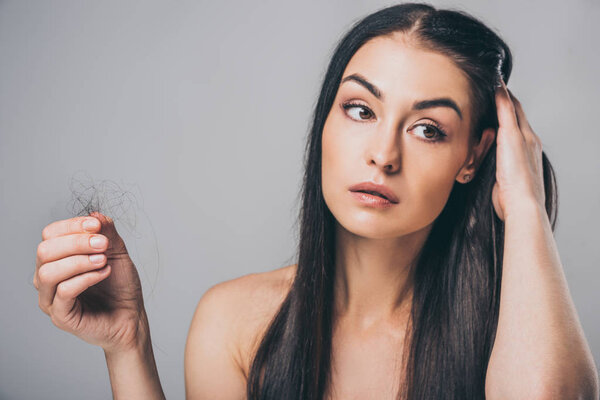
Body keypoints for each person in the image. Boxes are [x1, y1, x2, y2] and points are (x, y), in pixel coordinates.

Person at [33, 3, 598, 399]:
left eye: (428, 129)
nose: (382, 154)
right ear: (325, 121)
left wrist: (524, 204)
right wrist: (127, 346)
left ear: (474, 157)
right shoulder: (236, 322)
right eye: (360, 109)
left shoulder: (514, 335)